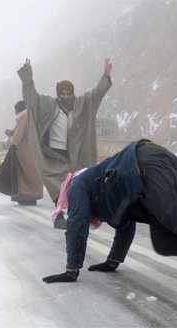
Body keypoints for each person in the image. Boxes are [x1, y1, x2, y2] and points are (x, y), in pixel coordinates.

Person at [42, 139, 177, 301]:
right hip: (147, 173)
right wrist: (112, 261)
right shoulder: (102, 195)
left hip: (142, 163)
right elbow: (124, 225)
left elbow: (77, 225)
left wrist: (72, 270)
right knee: (168, 239)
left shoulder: (77, 186)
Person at [18, 58, 113, 229]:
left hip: (76, 153)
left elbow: (96, 94)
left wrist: (105, 76)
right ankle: (59, 216)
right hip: (53, 153)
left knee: (80, 183)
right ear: (58, 93)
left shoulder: (82, 104)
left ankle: (83, 213)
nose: (66, 97)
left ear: (73, 94)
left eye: (69, 94)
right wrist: (27, 75)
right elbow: (31, 95)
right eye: (63, 94)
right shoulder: (48, 104)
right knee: (56, 183)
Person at [0, 100, 43, 205]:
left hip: (24, 151)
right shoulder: (33, 117)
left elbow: (19, 134)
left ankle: (26, 197)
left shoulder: (23, 118)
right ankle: (33, 196)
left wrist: (14, 145)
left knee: (23, 176)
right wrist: (13, 132)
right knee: (34, 175)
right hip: (35, 152)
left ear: (17, 110)